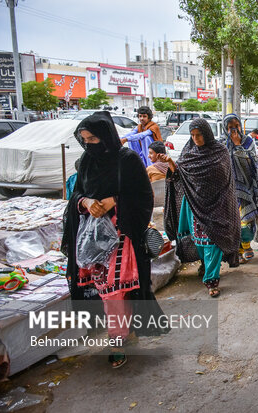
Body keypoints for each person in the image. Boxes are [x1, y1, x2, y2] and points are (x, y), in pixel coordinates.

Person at [62, 111, 168, 368]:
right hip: (93, 240)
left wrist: (114, 201)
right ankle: (124, 331)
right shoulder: (87, 161)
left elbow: (144, 197)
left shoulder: (128, 160)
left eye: (93, 139)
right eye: (84, 139)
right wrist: (86, 202)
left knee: (115, 291)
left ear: (106, 137)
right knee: (110, 292)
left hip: (123, 236)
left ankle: (117, 338)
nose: (88, 144)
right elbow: (76, 195)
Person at [162, 118, 240, 297]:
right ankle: (207, 266)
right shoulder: (188, 152)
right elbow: (179, 176)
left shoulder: (220, 151)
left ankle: (211, 280)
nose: (196, 138)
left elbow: (224, 177)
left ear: (207, 134)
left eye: (199, 135)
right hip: (195, 206)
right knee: (201, 242)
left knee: (214, 242)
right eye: (193, 135)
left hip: (218, 205)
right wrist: (170, 163)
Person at [223, 114, 258, 264]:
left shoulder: (248, 142)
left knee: (247, 219)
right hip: (229, 189)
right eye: (230, 127)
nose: (234, 130)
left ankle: (246, 245)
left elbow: (252, 161)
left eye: (236, 126)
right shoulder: (222, 144)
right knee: (234, 220)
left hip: (248, 186)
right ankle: (239, 249)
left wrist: (238, 146)